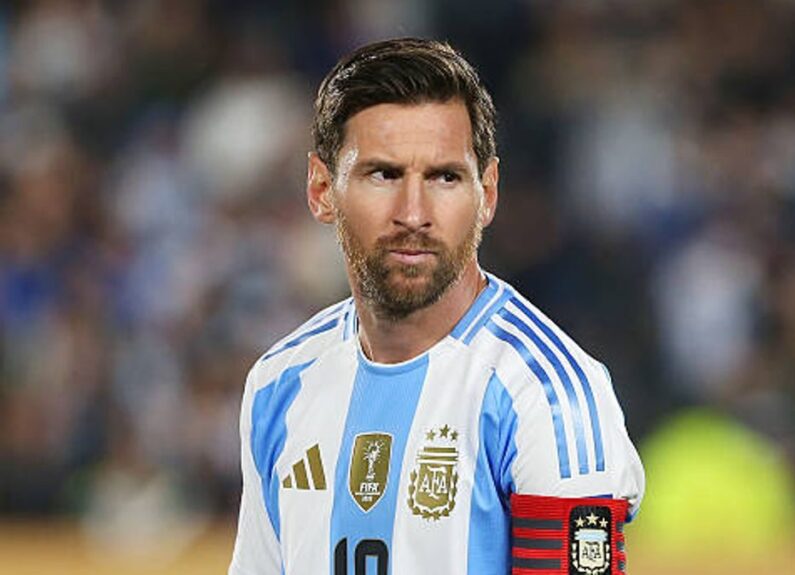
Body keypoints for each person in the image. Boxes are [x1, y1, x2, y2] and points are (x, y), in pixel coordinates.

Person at [228, 38, 644, 575]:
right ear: (321, 188)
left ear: (487, 193)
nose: (414, 213)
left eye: (445, 177)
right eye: (384, 174)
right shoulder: (278, 385)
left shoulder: (549, 400)